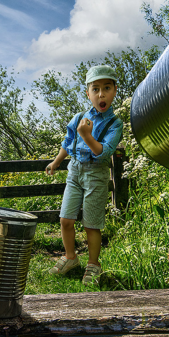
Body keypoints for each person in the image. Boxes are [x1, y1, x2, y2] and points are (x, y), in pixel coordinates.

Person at [45, 64, 123, 285]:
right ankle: (70, 258)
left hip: (96, 175)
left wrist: (87, 135)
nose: (101, 94)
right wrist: (56, 161)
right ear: (88, 93)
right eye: (95, 89)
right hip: (75, 171)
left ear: (115, 91)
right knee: (65, 219)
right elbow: (68, 142)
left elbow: (103, 152)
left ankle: (93, 264)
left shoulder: (115, 123)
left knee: (91, 224)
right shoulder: (79, 116)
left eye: (107, 88)